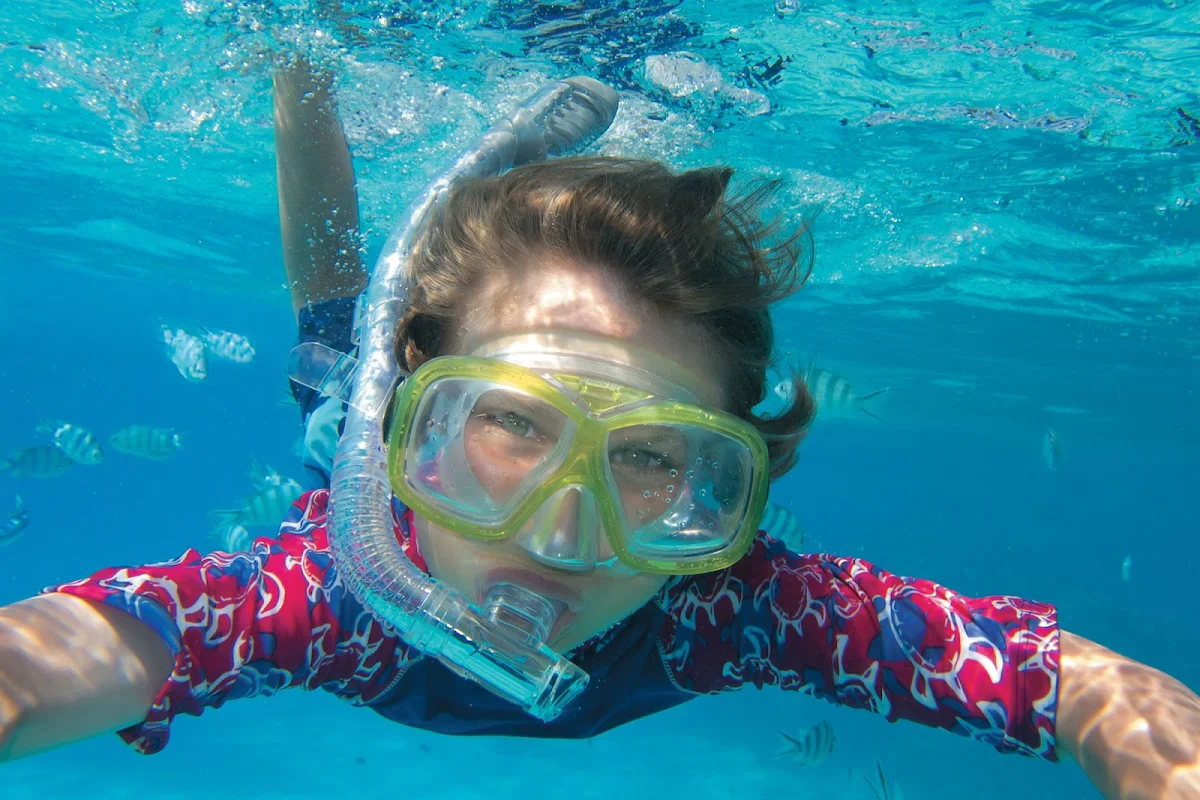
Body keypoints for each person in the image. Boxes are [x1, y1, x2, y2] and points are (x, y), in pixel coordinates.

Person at [2, 59, 1198, 800]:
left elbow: (1072, 683)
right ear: (410, 426)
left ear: (728, 489)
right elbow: (70, 654)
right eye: (510, 424)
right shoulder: (335, 590)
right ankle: (303, 53)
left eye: (650, 455)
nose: (564, 535)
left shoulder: (725, 601)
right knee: (330, 316)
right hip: (353, 395)